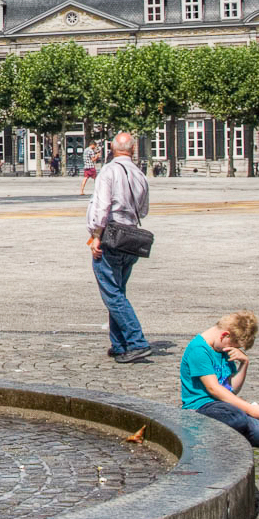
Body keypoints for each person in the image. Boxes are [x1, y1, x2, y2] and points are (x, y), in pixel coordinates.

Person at [179, 311, 259, 447]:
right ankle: (205, 431)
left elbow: (231, 389)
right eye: (234, 345)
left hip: (224, 406)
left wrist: (244, 363)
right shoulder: (199, 350)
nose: (233, 349)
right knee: (238, 418)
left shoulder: (223, 349)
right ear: (225, 335)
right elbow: (213, 388)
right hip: (200, 407)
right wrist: (249, 409)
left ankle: (229, 433)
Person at [87, 131, 152, 364]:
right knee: (119, 290)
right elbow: (143, 210)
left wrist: (96, 236)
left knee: (111, 293)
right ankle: (119, 343)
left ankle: (136, 341)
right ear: (133, 150)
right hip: (131, 238)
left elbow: (102, 206)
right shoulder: (140, 174)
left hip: (111, 235)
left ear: (112, 149)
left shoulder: (108, 171)